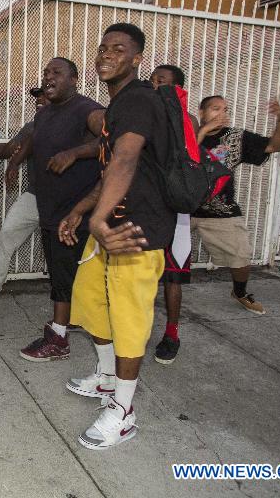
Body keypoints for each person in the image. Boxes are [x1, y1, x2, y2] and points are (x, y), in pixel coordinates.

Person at [58, 23, 172, 450]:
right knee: (90, 300)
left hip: (134, 232)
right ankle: (107, 378)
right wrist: (81, 209)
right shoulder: (120, 104)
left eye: (118, 49)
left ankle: (123, 412)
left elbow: (125, 158)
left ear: (137, 58)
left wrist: (97, 221)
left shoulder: (139, 99)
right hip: (110, 224)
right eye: (102, 48)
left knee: (128, 321)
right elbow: (112, 172)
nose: (106, 54)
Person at [19, 57, 104, 362]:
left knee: (66, 277)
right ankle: (61, 327)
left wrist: (76, 152)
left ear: (74, 79)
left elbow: (115, 138)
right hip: (50, 210)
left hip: (74, 213)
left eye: (56, 72)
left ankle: (59, 339)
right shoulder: (44, 115)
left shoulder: (86, 109)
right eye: (45, 72)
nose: (48, 76)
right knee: (59, 274)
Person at [191, 94, 280, 315]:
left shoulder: (235, 137)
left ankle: (240, 292)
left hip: (220, 209)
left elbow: (275, 145)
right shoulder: (186, 134)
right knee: (158, 253)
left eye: (226, 109)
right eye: (215, 109)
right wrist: (202, 133)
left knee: (240, 255)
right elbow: (181, 159)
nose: (222, 114)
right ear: (201, 113)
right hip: (181, 208)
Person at [148, 64, 197, 364]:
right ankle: (132, 332)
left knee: (172, 277)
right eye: (152, 80)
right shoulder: (145, 114)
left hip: (176, 212)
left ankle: (171, 333)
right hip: (147, 207)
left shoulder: (186, 119)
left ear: (177, 88)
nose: (154, 85)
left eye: (161, 81)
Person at [0, 89, 47, 297]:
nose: (40, 101)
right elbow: (6, 151)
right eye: (37, 98)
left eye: (45, 96)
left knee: (63, 248)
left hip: (64, 198)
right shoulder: (31, 127)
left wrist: (16, 163)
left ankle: (71, 293)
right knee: (8, 232)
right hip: (35, 196)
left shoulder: (70, 125)